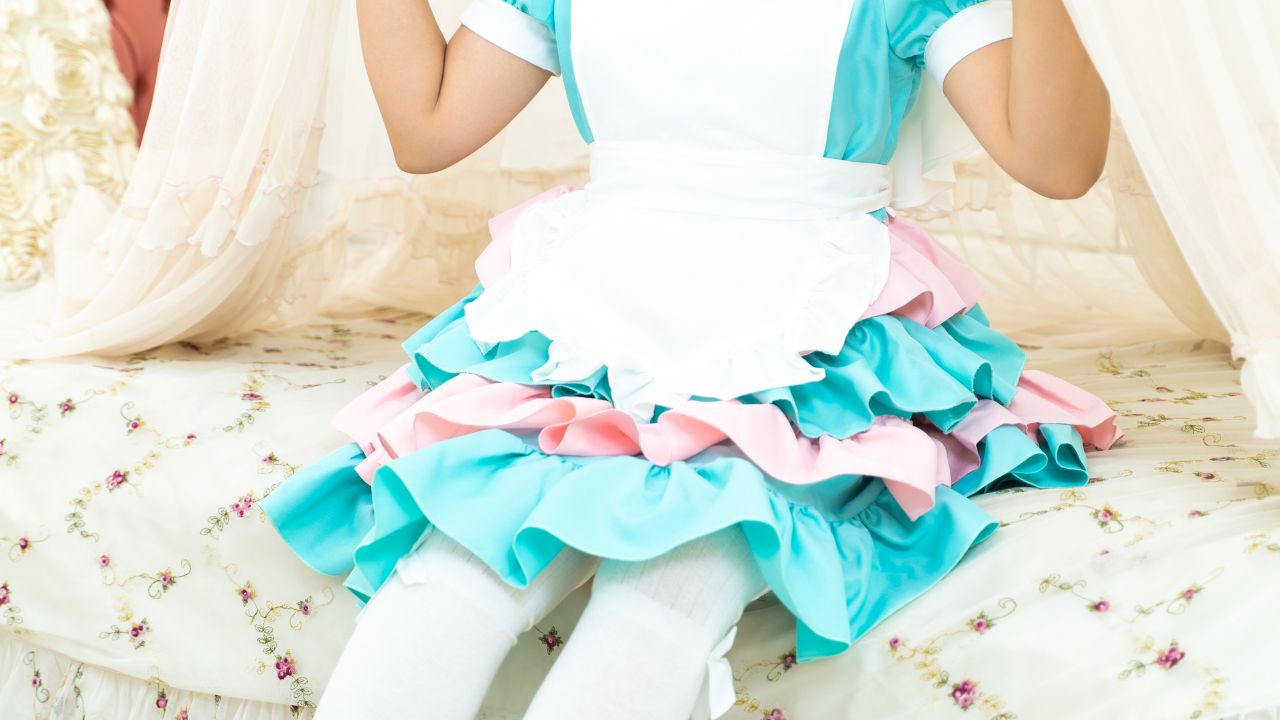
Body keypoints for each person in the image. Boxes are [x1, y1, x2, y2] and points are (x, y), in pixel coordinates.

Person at [260, 1, 1120, 718]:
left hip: (804, 330)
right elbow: (427, 128)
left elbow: (1056, 162)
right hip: (586, 307)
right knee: (450, 579)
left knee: (662, 595)